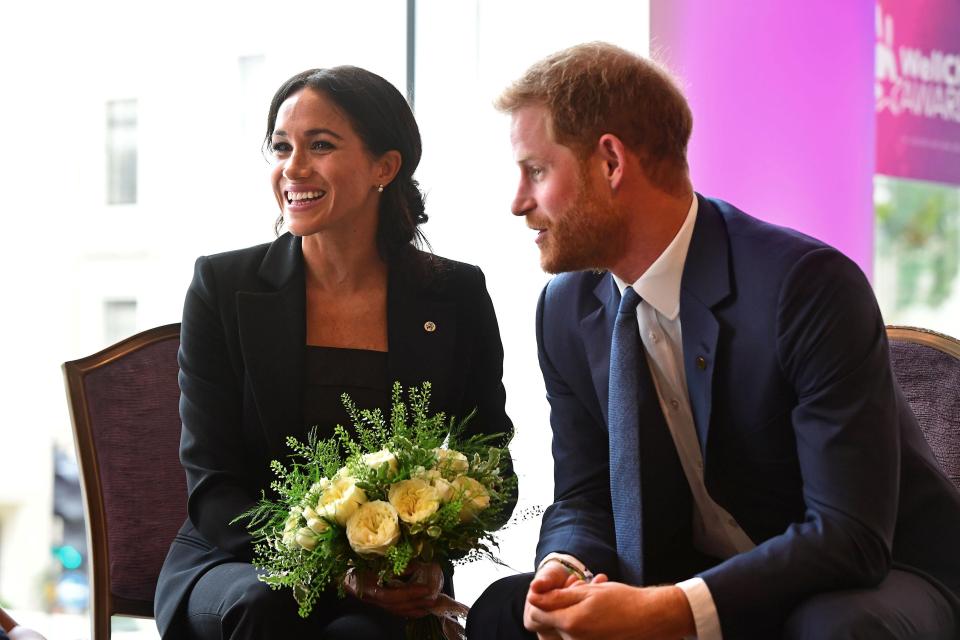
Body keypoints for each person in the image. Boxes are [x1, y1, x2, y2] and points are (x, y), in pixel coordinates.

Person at [467, 42, 960, 640]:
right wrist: (563, 570)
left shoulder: (805, 287)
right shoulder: (566, 308)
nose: (518, 202)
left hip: (879, 574)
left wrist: (671, 610)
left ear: (610, 162)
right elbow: (585, 492)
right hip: (697, 573)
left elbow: (848, 534)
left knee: (831, 628)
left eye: (537, 171)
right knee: (506, 610)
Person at [153, 65, 514, 640]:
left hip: (389, 576)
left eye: (320, 145)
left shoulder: (455, 294)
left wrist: (425, 549)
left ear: (384, 167)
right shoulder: (222, 285)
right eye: (281, 147)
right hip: (239, 564)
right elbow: (214, 485)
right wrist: (335, 570)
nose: (292, 168)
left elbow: (492, 461)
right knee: (269, 606)